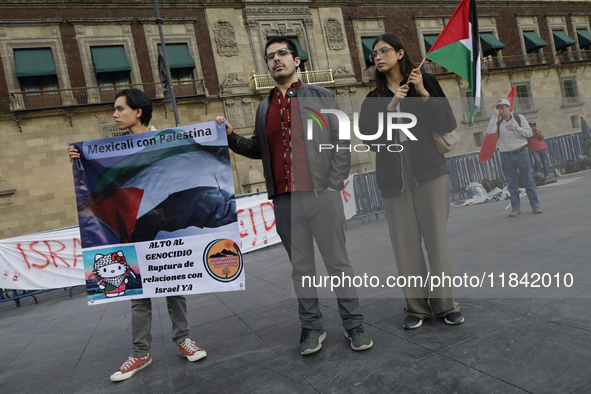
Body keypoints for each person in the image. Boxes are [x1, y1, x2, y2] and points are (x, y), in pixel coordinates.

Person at [216, 36, 373, 355]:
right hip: (285, 200)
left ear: (297, 60)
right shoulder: (264, 107)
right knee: (301, 268)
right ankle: (312, 328)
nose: (276, 59)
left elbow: (341, 142)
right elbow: (259, 149)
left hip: (322, 195)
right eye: (269, 56)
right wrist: (231, 137)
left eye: (282, 53)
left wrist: (334, 184)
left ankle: (353, 324)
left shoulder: (323, 95)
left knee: (337, 264)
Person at [68, 88, 206, 382]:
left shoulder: (164, 141)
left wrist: (217, 127)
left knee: (173, 286)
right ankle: (140, 353)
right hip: (132, 235)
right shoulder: (111, 153)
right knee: (137, 295)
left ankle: (183, 340)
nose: (115, 115)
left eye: (120, 109)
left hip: (162, 231)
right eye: (115, 110)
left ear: (138, 112)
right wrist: (79, 160)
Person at [358, 33, 464, 330]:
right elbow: (369, 139)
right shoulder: (373, 99)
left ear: (400, 53)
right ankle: (416, 308)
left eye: (383, 51)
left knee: (437, 243)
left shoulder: (425, 82)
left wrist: (424, 94)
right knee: (405, 246)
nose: (377, 57)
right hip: (394, 178)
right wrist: (390, 107)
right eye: (374, 54)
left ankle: (445, 306)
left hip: (430, 171)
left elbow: (447, 122)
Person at [486, 99, 543, 217]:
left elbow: (529, 133)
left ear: (509, 107)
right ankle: (516, 208)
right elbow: (490, 132)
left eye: (503, 108)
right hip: (506, 155)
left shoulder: (519, 118)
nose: (501, 111)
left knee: (528, 180)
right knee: (512, 183)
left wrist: (516, 128)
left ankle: (535, 205)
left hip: (521, 152)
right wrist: (494, 115)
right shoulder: (498, 122)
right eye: (499, 108)